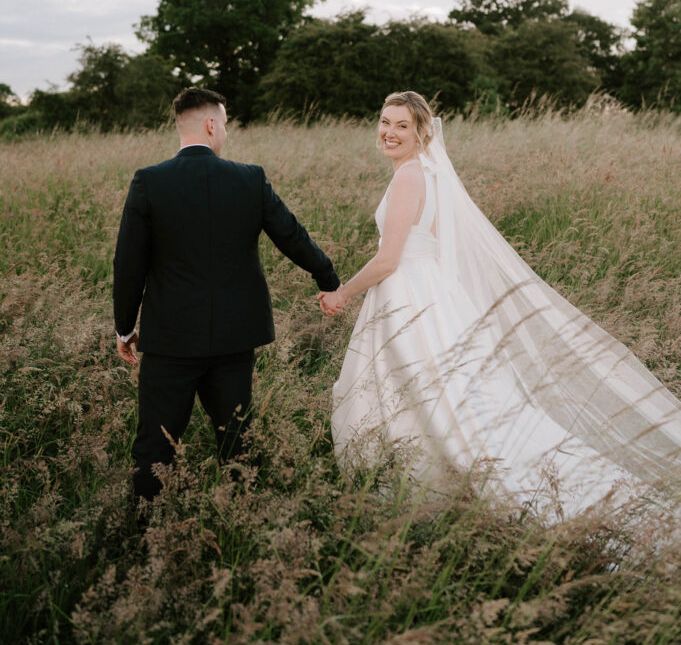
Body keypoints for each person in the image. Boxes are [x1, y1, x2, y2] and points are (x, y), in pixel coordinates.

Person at [320, 91, 681, 521]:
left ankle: (420, 479)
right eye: (385, 122)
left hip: (407, 294)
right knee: (433, 389)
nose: (390, 132)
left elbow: (388, 259)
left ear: (422, 133)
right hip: (431, 291)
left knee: (414, 385)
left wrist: (342, 293)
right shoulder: (429, 174)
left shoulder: (409, 177)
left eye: (402, 126)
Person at [114, 87, 340, 502]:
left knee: (154, 445)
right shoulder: (249, 178)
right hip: (235, 337)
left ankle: (141, 530)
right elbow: (291, 235)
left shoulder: (149, 181)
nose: (226, 132)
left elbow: (128, 263)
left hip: (171, 341)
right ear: (211, 123)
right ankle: (243, 514)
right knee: (237, 438)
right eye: (226, 123)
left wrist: (124, 327)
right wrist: (327, 278)